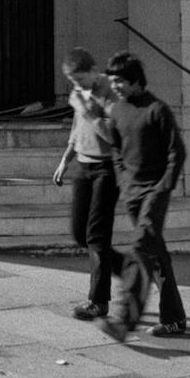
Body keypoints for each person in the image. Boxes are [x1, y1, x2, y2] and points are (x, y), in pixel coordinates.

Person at [96, 49, 188, 341]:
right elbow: (115, 149)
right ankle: (174, 320)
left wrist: (162, 188)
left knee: (139, 252)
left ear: (136, 80)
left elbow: (177, 152)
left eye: (121, 81)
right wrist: (124, 180)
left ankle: (124, 321)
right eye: (112, 81)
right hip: (132, 194)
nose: (116, 86)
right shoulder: (117, 111)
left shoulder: (157, 110)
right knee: (157, 257)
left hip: (154, 194)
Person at [53, 47, 120, 321]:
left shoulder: (110, 90)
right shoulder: (80, 91)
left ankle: (98, 301)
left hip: (106, 167)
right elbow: (77, 127)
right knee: (80, 233)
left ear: (94, 71)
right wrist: (65, 160)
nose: (77, 87)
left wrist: (90, 110)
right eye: (73, 82)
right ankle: (128, 268)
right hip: (82, 163)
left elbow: (113, 134)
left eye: (81, 81)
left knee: (97, 236)